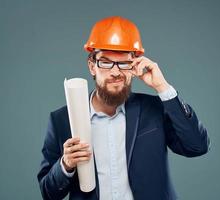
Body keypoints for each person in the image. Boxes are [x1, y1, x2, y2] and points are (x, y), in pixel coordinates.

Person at [37, 16, 210, 200]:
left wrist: (163, 87)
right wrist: (66, 165)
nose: (115, 72)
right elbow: (48, 193)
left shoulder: (154, 109)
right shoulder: (62, 120)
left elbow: (197, 146)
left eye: (124, 63)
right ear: (92, 66)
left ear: (134, 66)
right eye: (105, 62)